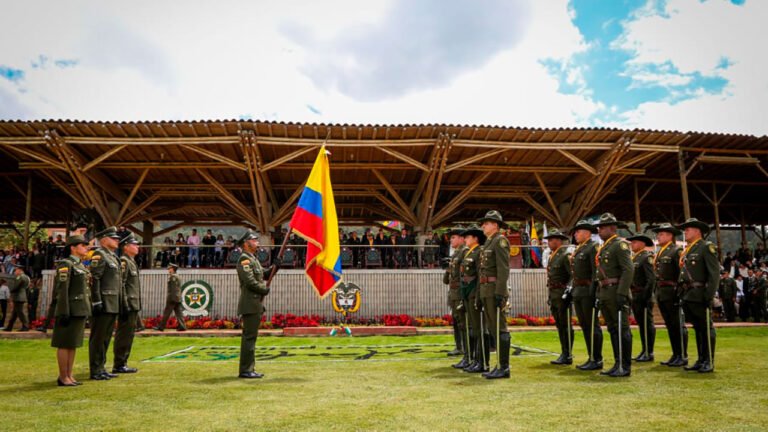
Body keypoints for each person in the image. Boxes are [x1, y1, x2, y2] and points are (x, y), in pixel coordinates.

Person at [677, 218, 720, 373]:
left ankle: (709, 360)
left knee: (706, 328)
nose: (685, 232)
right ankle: (701, 359)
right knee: (698, 328)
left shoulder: (706, 247)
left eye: (688, 229)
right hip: (689, 294)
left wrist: (708, 295)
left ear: (697, 231)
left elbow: (714, 274)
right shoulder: (689, 249)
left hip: (700, 294)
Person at [593, 213, 633, 377]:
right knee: (613, 329)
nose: (599, 231)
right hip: (606, 292)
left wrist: (622, 293)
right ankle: (618, 362)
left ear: (612, 228)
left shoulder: (619, 245)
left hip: (616, 290)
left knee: (622, 329)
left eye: (602, 228)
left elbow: (628, 269)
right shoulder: (605, 247)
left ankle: (625, 365)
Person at [51, 235, 91, 387]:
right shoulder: (66, 264)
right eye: (83, 245)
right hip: (69, 309)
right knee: (64, 343)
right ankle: (63, 376)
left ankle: (69, 375)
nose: (86, 247)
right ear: (73, 248)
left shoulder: (80, 265)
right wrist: (63, 311)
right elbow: (62, 290)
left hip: (79, 309)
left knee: (73, 343)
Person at [477, 210, 511, 379]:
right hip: (486, 290)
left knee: (500, 327)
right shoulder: (489, 243)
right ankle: (499, 365)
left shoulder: (500, 241)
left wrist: (500, 292)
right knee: (493, 328)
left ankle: (504, 367)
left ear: (495, 225)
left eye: (487, 223)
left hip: (494, 290)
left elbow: (503, 269)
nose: (483, 225)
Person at [650, 222, 689, 367]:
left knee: (678, 324)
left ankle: (682, 355)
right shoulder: (661, 252)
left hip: (672, 292)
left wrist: (680, 292)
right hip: (662, 292)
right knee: (670, 325)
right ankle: (676, 354)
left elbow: (682, 273)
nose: (658, 237)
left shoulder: (676, 251)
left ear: (670, 235)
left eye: (661, 234)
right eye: (658, 234)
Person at [568, 220, 604, 371]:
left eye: (578, 231)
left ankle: (597, 358)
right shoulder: (579, 249)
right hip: (579, 291)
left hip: (588, 290)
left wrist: (594, 292)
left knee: (592, 325)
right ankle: (591, 357)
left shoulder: (592, 248)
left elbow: (596, 271)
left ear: (587, 233)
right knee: (584, 325)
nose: (575, 234)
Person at [88, 227, 123, 381]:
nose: (117, 240)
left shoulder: (112, 257)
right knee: (98, 337)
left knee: (106, 337)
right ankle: (95, 369)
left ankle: (101, 367)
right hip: (104, 302)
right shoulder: (99, 255)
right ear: (103, 239)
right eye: (113, 238)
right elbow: (95, 279)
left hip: (112, 302)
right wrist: (96, 301)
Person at [236, 230, 270, 379]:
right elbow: (249, 281)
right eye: (253, 240)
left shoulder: (253, 259)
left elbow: (264, 274)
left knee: (251, 337)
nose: (257, 241)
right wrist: (264, 289)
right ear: (246, 243)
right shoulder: (244, 259)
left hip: (254, 303)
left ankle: (249, 368)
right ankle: (246, 370)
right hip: (250, 303)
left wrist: (276, 266)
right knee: (249, 338)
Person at [113, 234, 142, 374]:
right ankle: (119, 363)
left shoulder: (131, 262)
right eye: (134, 244)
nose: (137, 247)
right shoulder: (124, 262)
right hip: (128, 304)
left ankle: (123, 362)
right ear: (126, 247)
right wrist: (124, 303)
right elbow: (122, 284)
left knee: (129, 334)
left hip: (133, 304)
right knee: (124, 334)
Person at [544, 228, 573, 365]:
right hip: (554, 294)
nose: (549, 242)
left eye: (552, 239)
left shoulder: (564, 255)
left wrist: (568, 291)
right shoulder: (552, 256)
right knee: (560, 325)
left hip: (562, 294)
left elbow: (572, 276)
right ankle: (564, 352)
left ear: (559, 241)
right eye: (549, 239)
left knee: (565, 325)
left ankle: (567, 354)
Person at [459, 226, 486, 373]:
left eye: (468, 237)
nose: (465, 239)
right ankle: (475, 359)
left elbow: (479, 274)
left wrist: (477, 295)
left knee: (478, 328)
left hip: (474, 292)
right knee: (473, 328)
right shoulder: (468, 252)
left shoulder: (478, 252)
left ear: (475, 238)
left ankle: (480, 361)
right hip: (467, 292)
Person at [627, 233, 656, 362]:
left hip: (643, 295)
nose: (632, 245)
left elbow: (651, 279)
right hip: (635, 295)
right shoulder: (634, 258)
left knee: (647, 324)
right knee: (641, 324)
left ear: (642, 244)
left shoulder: (646, 257)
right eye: (631, 242)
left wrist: (646, 296)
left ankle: (649, 352)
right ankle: (644, 350)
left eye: (635, 242)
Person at [442, 226, 467, 360]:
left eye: (453, 237)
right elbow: (446, 279)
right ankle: (459, 346)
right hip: (453, 292)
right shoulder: (456, 253)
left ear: (461, 238)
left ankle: (464, 348)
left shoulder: (464, 252)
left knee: (462, 322)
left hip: (460, 292)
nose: (451, 240)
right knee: (456, 322)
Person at [155, 263, 187, 331]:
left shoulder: (173, 277)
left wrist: (172, 298)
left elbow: (173, 288)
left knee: (166, 312)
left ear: (172, 269)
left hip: (172, 297)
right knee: (179, 313)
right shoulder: (177, 276)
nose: (168, 270)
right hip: (177, 297)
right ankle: (182, 326)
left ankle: (161, 327)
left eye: (169, 268)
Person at [2, 263, 31, 331]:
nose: (15, 271)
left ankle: (26, 326)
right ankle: (9, 327)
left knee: (20, 312)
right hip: (20, 296)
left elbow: (16, 286)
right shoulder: (26, 277)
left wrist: (10, 289)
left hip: (19, 297)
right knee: (14, 313)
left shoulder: (20, 277)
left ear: (20, 270)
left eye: (16, 270)